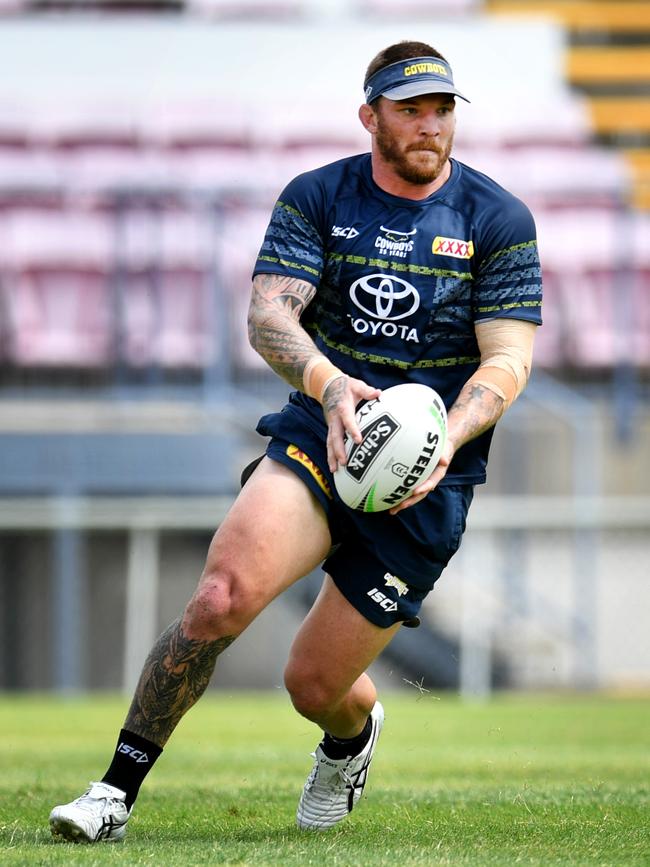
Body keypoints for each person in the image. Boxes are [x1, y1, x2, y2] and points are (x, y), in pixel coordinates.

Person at [49, 39, 542, 843]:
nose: (430, 125)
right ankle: (112, 793)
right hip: (324, 430)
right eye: (410, 109)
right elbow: (268, 314)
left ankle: (351, 737)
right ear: (370, 116)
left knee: (312, 684)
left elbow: (509, 357)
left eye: (443, 110)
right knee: (217, 600)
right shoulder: (319, 196)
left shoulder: (497, 218)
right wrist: (332, 384)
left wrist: (448, 435)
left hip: (427, 472)